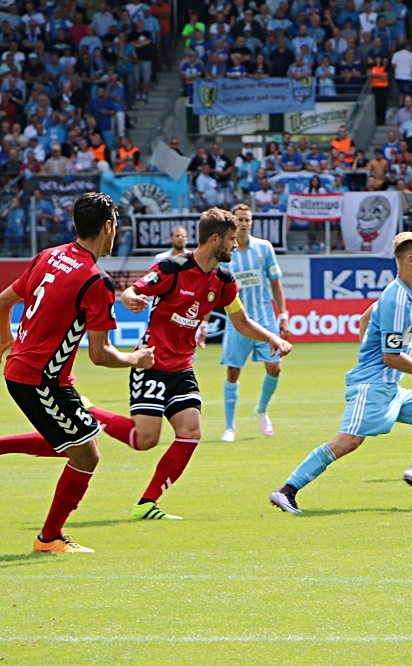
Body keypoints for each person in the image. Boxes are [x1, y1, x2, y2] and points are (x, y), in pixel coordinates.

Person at [93, 208, 292, 520]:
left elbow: (241, 322)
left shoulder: (225, 279)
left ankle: (146, 503)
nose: (236, 245)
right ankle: (88, 411)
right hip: (151, 361)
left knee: (190, 431)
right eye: (230, 239)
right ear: (215, 239)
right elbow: (135, 289)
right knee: (144, 440)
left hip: (182, 367)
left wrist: (272, 338)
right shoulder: (172, 267)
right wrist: (128, 297)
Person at [0, 193, 155, 553]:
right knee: (87, 455)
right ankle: (49, 538)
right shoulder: (96, 280)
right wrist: (137, 360)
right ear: (108, 227)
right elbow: (100, 355)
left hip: (32, 373)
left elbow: (5, 300)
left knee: (76, 444)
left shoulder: (49, 256)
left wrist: (6, 335)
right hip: (41, 380)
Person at [269, 233, 412, 514]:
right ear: (411, 260)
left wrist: (368, 347)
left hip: (390, 388)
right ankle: (287, 491)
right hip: (372, 387)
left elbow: (364, 317)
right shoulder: (397, 300)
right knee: (347, 442)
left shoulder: (404, 294)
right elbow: (391, 357)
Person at [219, 204, 290, 442]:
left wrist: (283, 315)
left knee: (275, 367)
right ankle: (230, 427)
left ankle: (261, 409)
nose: (243, 223)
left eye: (247, 219)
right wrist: (205, 323)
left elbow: (275, 283)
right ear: (232, 222)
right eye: (239, 219)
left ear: (252, 222)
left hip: (265, 320)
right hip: (237, 320)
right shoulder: (226, 252)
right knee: (233, 372)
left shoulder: (264, 248)